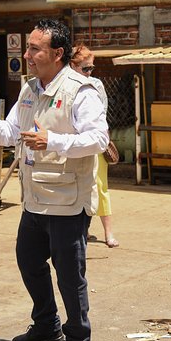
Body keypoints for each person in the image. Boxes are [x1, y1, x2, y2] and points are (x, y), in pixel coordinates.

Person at [0, 19, 108, 341]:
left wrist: (53, 141)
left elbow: (99, 139)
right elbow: (10, 133)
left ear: (57, 53)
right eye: (28, 47)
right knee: (29, 262)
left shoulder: (81, 90)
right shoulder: (29, 89)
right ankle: (47, 327)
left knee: (69, 275)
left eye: (35, 49)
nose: (27, 55)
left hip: (67, 201)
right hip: (35, 199)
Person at [70, 44, 119, 248]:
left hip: (94, 142)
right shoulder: (66, 85)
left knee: (100, 186)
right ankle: (84, 230)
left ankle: (108, 232)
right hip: (72, 143)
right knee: (77, 186)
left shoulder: (96, 85)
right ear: (72, 66)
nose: (89, 72)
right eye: (85, 68)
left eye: (91, 68)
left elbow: (103, 113)